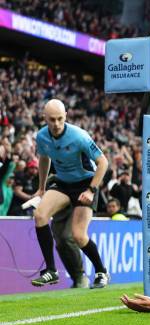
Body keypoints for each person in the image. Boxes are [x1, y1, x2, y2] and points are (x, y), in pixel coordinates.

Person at [31, 99, 110, 289]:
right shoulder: (41, 136)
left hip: (85, 184)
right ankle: (51, 270)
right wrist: (42, 187)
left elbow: (103, 163)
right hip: (63, 183)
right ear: (45, 118)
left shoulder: (79, 136)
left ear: (66, 116)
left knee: (78, 235)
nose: (56, 124)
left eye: (60, 119)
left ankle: (101, 271)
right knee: (40, 215)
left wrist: (91, 190)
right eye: (52, 120)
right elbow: (43, 159)